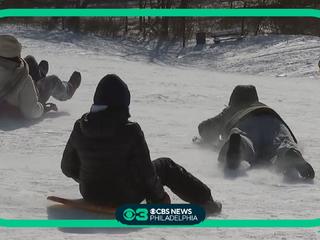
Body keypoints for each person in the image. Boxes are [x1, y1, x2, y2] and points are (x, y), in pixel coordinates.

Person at [61, 74, 222, 214]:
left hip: (90, 193)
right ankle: (206, 200)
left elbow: (67, 167)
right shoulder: (130, 131)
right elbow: (147, 173)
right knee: (165, 165)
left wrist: (90, 177)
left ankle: (100, 188)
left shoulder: (80, 126)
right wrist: (159, 199)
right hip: (125, 197)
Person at [196, 85, 315, 180]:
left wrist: (207, 138)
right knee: (282, 142)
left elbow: (205, 129)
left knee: (246, 141)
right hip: (273, 119)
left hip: (245, 121)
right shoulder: (261, 106)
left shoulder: (232, 110)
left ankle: (239, 145)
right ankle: (290, 153)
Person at [0, 35, 81, 119]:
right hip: (29, 97)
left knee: (29, 60)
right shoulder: (25, 81)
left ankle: (40, 76)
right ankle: (68, 90)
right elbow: (31, 111)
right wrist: (43, 108)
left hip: (11, 91)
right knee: (53, 80)